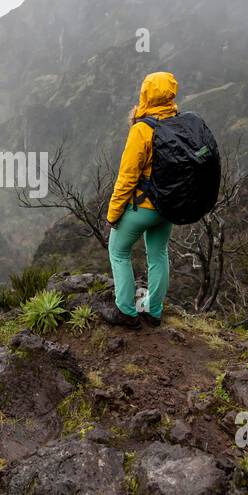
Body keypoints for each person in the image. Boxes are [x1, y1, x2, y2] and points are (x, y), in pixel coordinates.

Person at [101, 71, 178, 328]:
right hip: (168, 206)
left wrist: (113, 214)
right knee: (158, 253)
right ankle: (153, 312)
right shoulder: (179, 124)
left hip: (142, 207)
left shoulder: (142, 129)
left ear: (145, 94)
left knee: (119, 250)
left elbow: (127, 178)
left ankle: (126, 313)